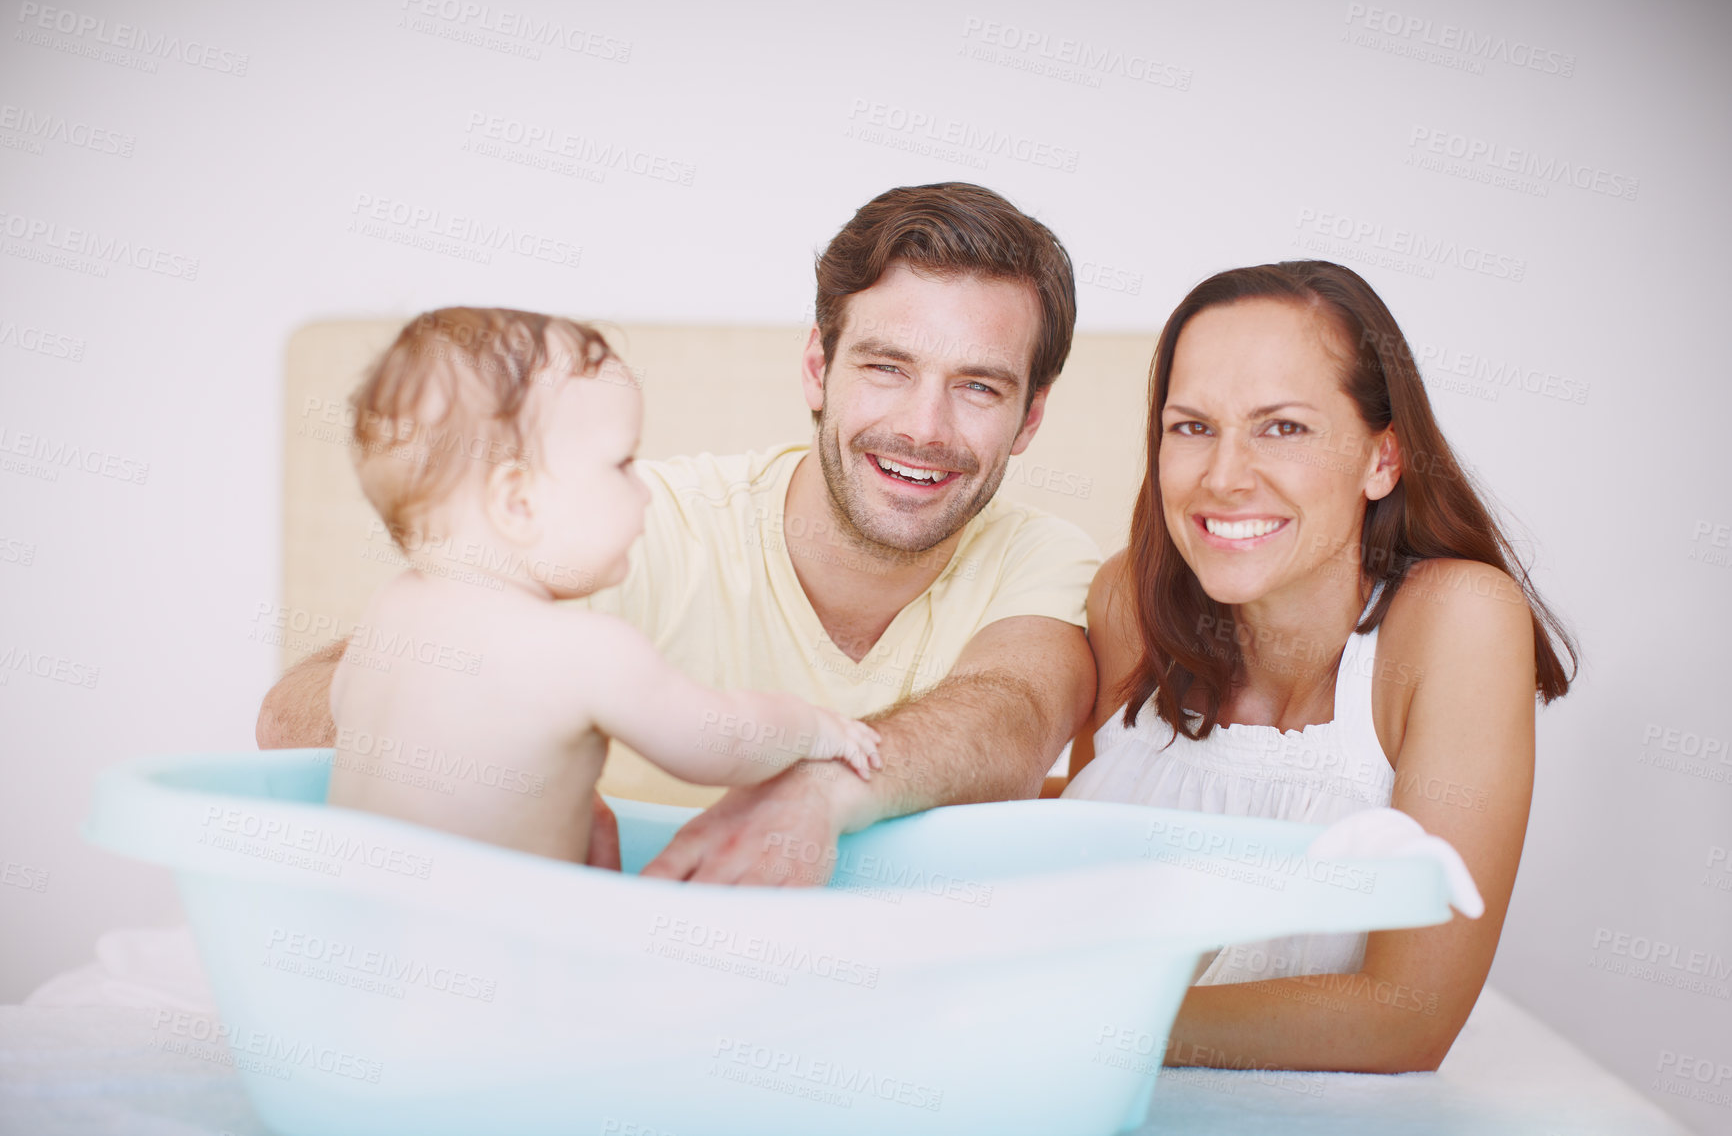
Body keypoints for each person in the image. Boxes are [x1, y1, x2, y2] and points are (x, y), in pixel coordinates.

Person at [257, 182, 1101, 882]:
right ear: (818, 367)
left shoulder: (1044, 558)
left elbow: (1015, 717)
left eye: (979, 388)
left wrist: (822, 788)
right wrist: (512, 771)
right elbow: (294, 716)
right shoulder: (630, 527)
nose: (923, 427)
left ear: (1030, 419)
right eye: (887, 367)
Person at [1063, 260, 1575, 1072]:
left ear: (1383, 459)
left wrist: (1071, 1019)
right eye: (1191, 427)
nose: (1224, 478)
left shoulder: (1458, 621)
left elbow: (1407, 1019)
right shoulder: (1129, 600)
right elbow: (1094, 874)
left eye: (1283, 428)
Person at [324, 307, 880, 863]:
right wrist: (810, 727)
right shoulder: (584, 648)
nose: (645, 492)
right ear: (518, 502)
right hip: (490, 947)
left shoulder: (389, 613)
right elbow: (717, 739)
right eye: (623, 465)